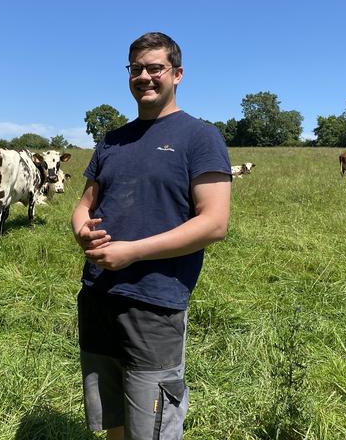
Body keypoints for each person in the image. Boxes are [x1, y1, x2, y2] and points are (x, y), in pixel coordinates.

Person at [71, 32, 232, 440]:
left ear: (177, 74)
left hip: (155, 304)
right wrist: (81, 230)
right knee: (114, 423)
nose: (144, 76)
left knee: (153, 428)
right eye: (136, 69)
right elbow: (84, 204)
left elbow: (214, 223)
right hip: (98, 297)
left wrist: (133, 253)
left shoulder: (200, 137)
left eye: (155, 68)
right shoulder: (112, 140)